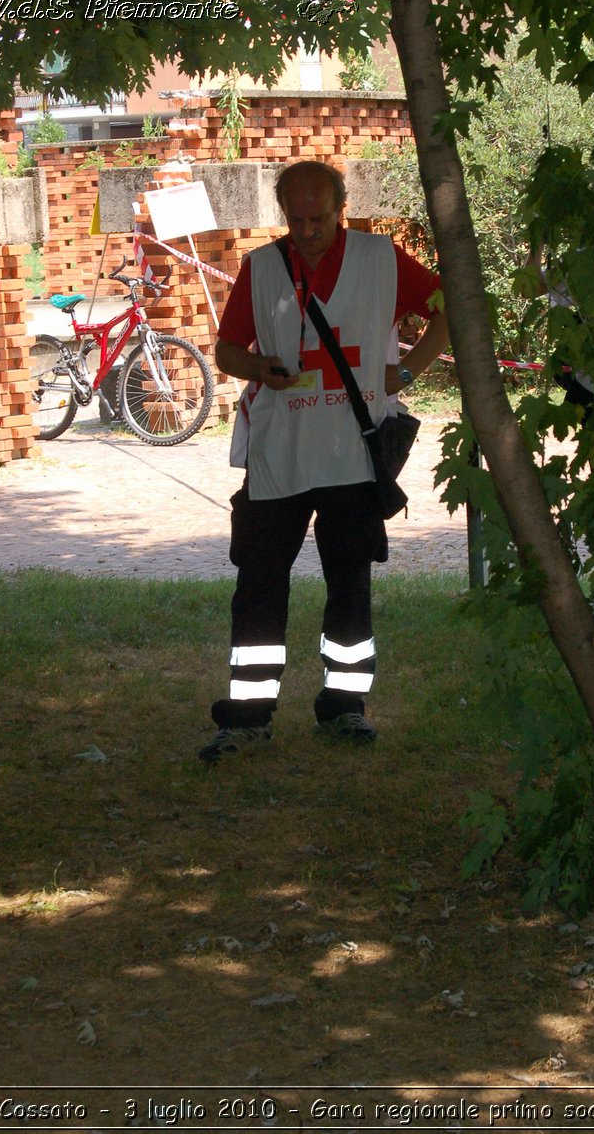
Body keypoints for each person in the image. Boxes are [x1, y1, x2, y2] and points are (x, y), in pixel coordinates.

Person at [199, 160, 449, 764]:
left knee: (351, 587)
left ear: (342, 208)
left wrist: (409, 369)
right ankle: (248, 716)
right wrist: (261, 369)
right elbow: (227, 350)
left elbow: (450, 307)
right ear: (282, 212)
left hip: (352, 458)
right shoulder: (261, 268)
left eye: (319, 217)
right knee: (257, 585)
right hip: (278, 456)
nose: (307, 230)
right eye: (296, 218)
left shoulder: (381, 258)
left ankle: (345, 708)